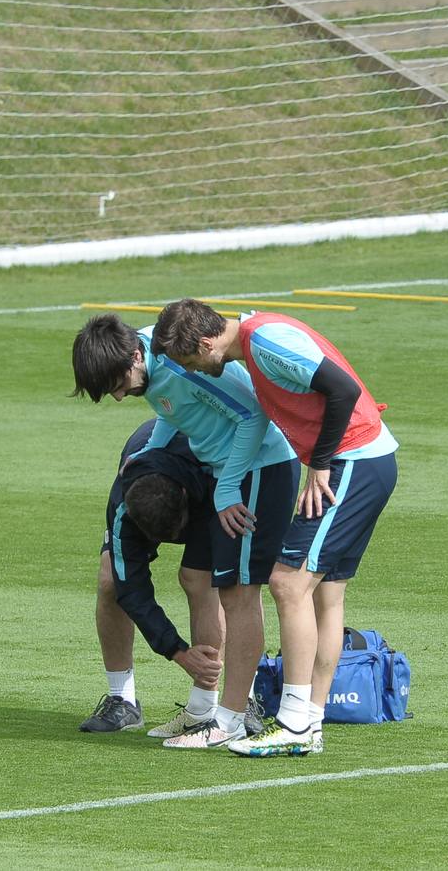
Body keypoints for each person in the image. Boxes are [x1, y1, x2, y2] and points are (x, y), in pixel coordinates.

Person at [152, 299, 398, 758]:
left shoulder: (265, 342)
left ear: (207, 343)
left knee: (287, 582)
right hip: (367, 461)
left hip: (353, 463)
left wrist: (319, 466)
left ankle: (293, 722)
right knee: (325, 594)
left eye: (191, 362)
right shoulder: (255, 340)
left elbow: (342, 389)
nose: (198, 372)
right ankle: (312, 721)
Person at [72, 314, 298, 749]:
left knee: (238, 592)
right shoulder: (144, 369)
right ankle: (201, 710)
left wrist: (228, 486)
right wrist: (150, 453)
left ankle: (233, 716)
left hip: (256, 470)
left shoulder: (176, 361)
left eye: (119, 385)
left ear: (137, 355)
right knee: (196, 578)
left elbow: (255, 413)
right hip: (222, 471)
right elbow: (173, 410)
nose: (120, 397)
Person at [82, 419, 253, 737]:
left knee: (202, 580)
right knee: (110, 580)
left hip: (217, 484)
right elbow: (131, 588)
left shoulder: (208, 479)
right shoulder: (125, 505)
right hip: (156, 484)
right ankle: (123, 700)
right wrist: (177, 651)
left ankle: (224, 704)